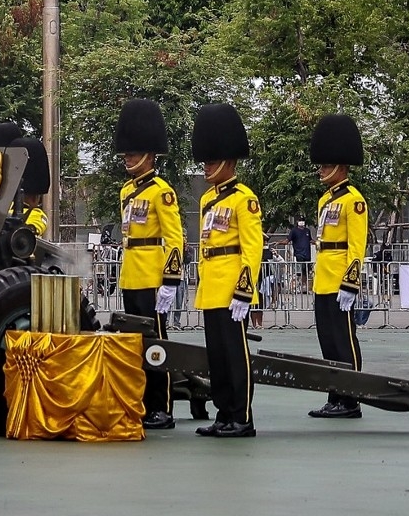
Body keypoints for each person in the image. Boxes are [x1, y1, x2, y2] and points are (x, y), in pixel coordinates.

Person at [112, 98, 183, 431]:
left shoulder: (161, 191)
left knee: (156, 343)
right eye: (126, 152)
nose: (128, 156)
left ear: (150, 155)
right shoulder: (127, 190)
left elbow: (175, 238)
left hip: (152, 273)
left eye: (134, 151)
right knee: (134, 343)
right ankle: (140, 402)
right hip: (131, 272)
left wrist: (170, 281)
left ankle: (162, 405)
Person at [191, 103, 262, 438]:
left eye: (211, 160)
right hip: (211, 286)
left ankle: (241, 416)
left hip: (233, 287)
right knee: (217, 357)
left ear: (228, 160)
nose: (206, 166)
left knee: (236, 357)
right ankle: (223, 413)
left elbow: (252, 248)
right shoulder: (207, 200)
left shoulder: (243, 199)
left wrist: (245, 290)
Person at [307, 114, 368, 419]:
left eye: (326, 164)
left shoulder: (353, 201)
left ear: (341, 166)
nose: (321, 168)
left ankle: (351, 398)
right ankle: (335, 396)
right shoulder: (325, 200)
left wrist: (351, 282)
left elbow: (356, 246)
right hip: (323, 279)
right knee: (328, 343)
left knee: (344, 341)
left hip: (341, 280)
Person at [9, 136, 50, 236]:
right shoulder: (37, 214)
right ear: (35, 198)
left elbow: (35, 226)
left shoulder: (35, 215)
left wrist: (30, 229)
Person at [278, 217, 313, 293]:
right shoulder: (294, 231)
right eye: (300, 221)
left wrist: (318, 242)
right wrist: (279, 242)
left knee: (306, 270)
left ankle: (304, 286)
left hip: (307, 253)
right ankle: (297, 286)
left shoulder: (307, 231)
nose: (302, 222)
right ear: (297, 222)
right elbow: (287, 240)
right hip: (299, 253)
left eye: (303, 221)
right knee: (300, 269)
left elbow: (310, 240)